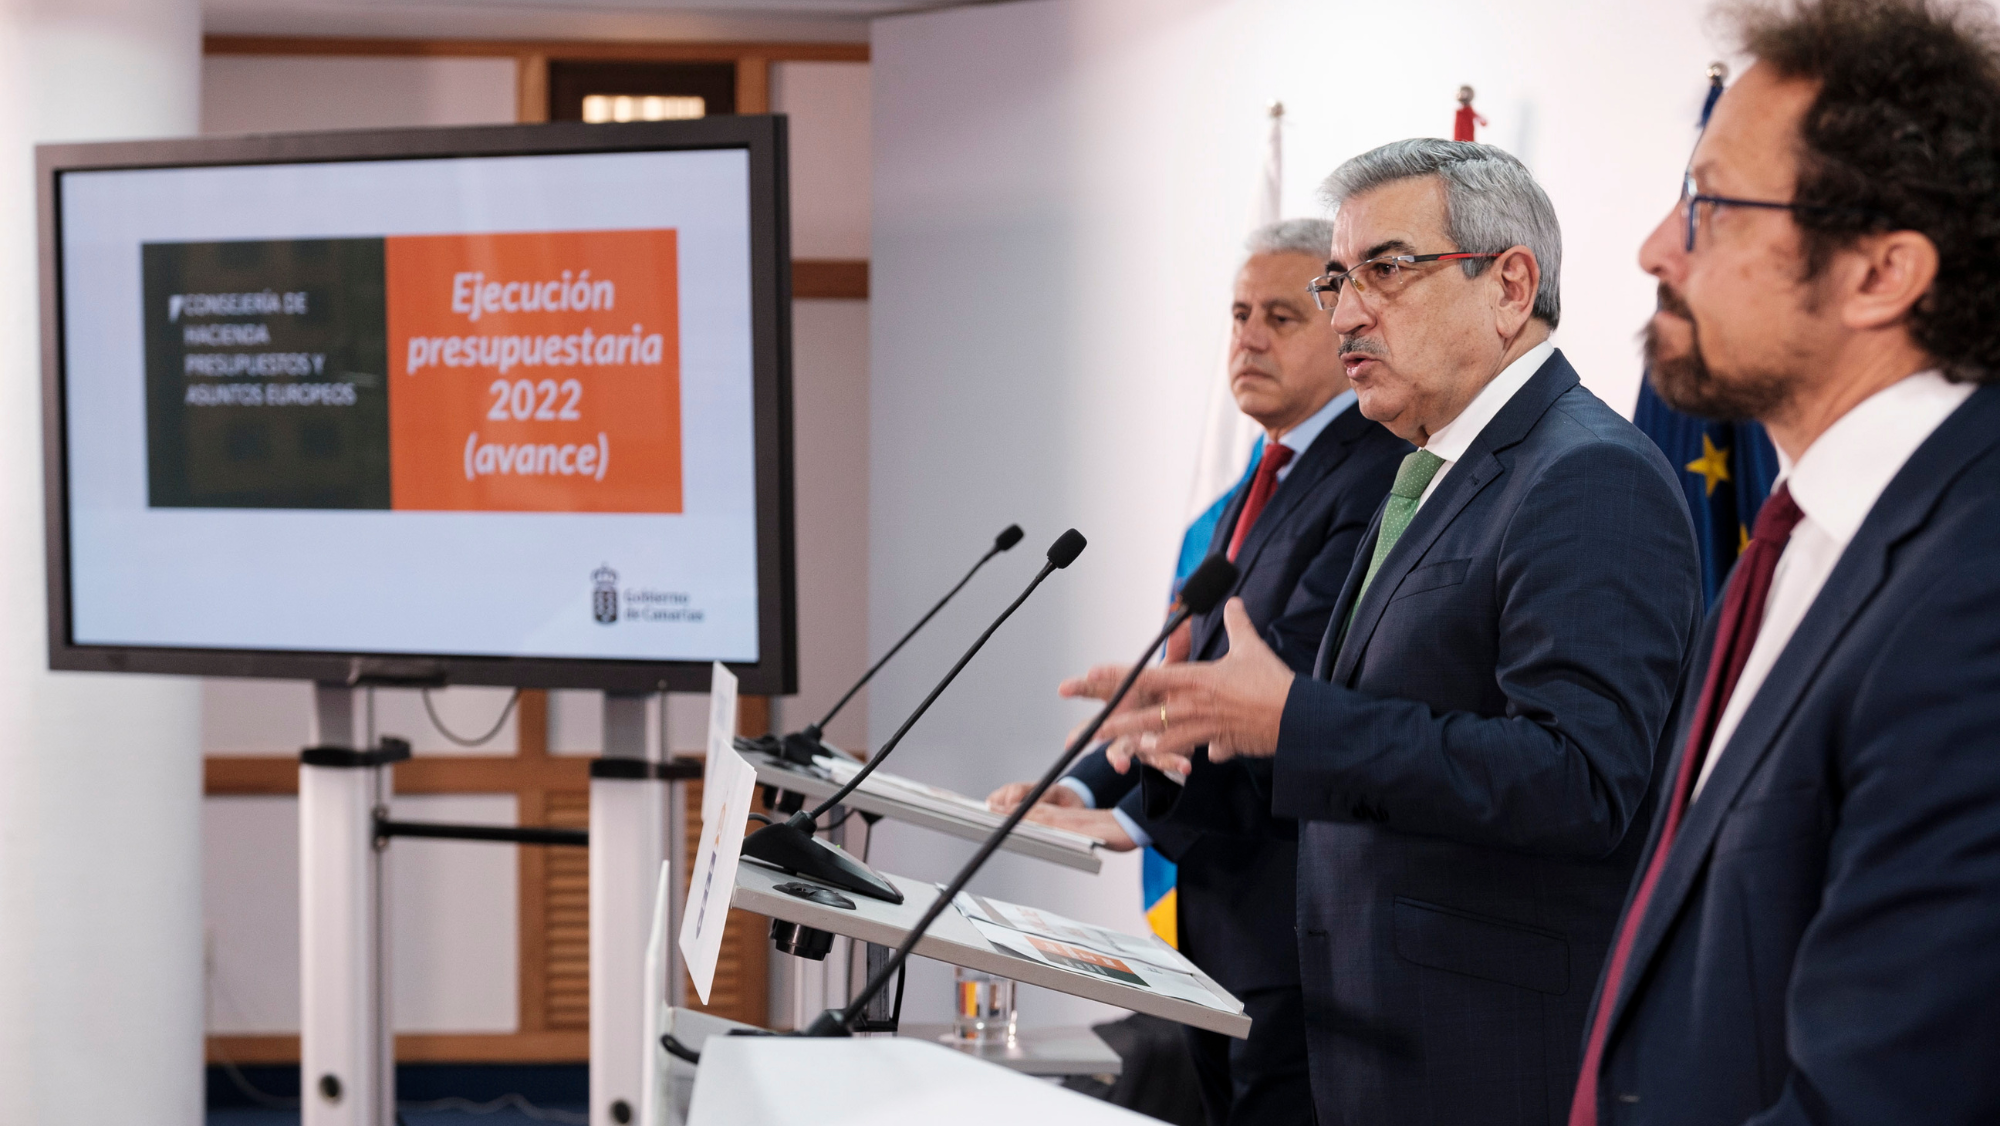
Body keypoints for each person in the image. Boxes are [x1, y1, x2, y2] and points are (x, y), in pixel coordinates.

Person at [1064, 139, 1703, 1125]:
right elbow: (1379, 742)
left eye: (1385, 270)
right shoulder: (1426, 469)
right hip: (1365, 1034)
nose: (1348, 311)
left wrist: (1298, 720)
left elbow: (1579, 778)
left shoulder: (1584, 474)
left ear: (1508, 284)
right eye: (1336, 279)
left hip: (1486, 1056)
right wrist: (1206, 742)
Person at [1567, 2, 2000, 1123]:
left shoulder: (1974, 586)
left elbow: (1891, 1096)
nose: (1655, 248)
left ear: (1877, 274)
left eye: (1707, 204)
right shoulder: (1800, 537)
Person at [988, 217, 1407, 1126]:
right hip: (1215, 923)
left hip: (1288, 919)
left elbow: (1269, 691)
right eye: (1239, 313)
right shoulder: (1263, 480)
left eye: (1282, 317)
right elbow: (1192, 666)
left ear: (1345, 336)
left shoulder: (1374, 477)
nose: (1249, 337)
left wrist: (1131, 823)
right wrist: (1086, 785)